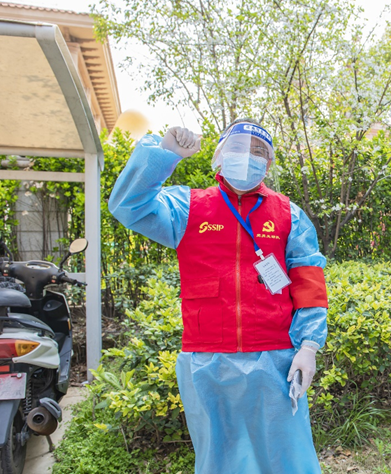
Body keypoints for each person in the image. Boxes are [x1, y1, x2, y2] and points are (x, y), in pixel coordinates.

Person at [108, 119, 328, 474]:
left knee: (286, 457)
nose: (249, 157)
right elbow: (128, 206)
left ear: (269, 164)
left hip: (275, 359)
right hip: (206, 360)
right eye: (239, 148)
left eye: (259, 151)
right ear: (220, 155)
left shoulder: (289, 214)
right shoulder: (187, 206)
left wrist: (309, 346)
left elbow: (309, 279)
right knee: (219, 458)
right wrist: (163, 155)